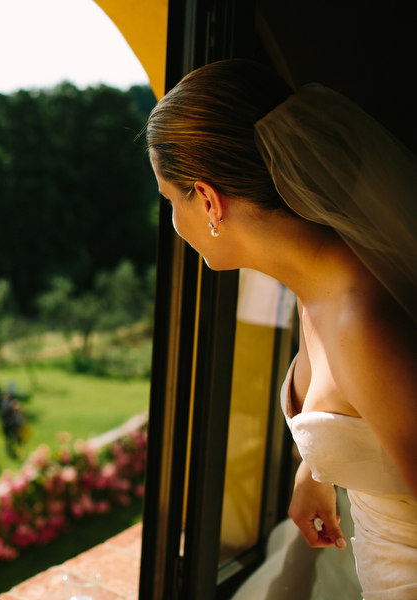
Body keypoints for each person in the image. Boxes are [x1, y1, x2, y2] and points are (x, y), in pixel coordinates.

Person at [146, 58, 417, 598]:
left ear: (207, 199)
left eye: (169, 200)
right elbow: (359, 406)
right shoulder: (312, 280)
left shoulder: (360, 320)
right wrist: (315, 470)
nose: (175, 225)